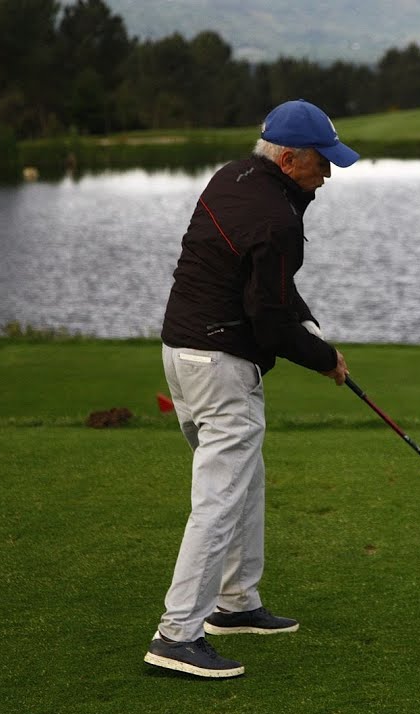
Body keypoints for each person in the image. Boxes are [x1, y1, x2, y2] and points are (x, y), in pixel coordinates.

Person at [143, 99, 359, 679]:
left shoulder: (232, 178)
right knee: (219, 495)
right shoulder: (278, 219)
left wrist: (307, 326)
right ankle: (177, 633)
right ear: (289, 158)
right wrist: (324, 358)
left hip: (180, 352)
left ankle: (236, 603)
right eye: (321, 162)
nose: (328, 174)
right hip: (219, 364)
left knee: (243, 479)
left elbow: (265, 284)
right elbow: (268, 321)